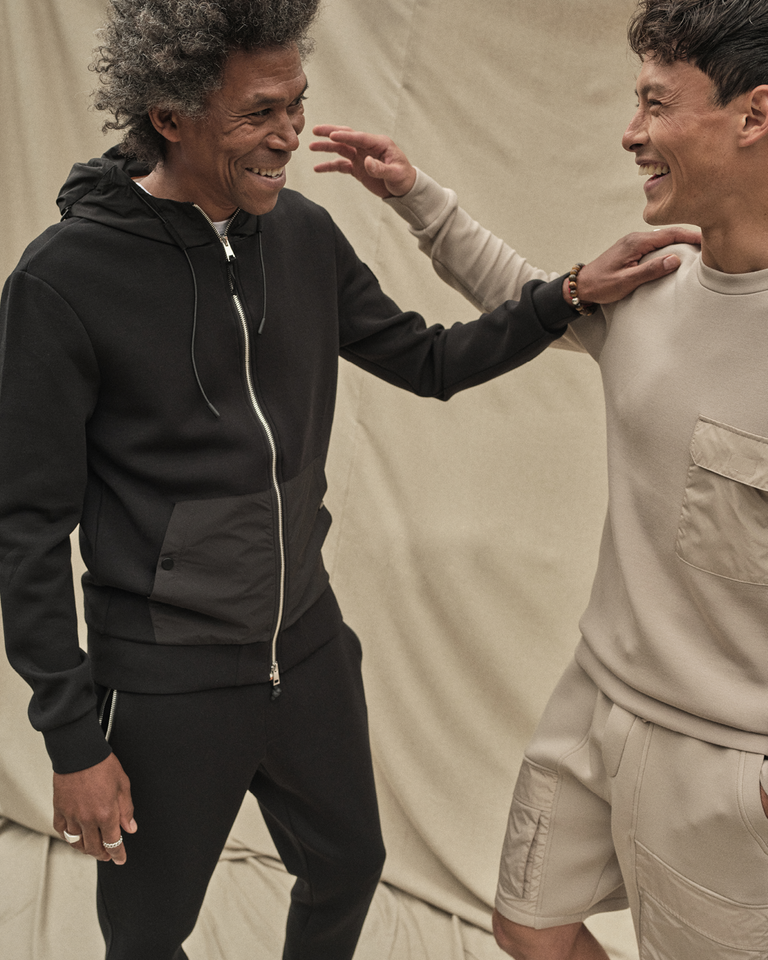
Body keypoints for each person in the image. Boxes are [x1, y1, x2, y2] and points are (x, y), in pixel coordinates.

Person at [0, 1, 697, 958]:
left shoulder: (301, 234)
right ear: (169, 115)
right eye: (259, 113)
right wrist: (72, 739)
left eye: (297, 103)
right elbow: (27, 529)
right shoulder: (64, 281)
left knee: (348, 866)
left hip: (307, 646)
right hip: (166, 677)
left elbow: (429, 360)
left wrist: (566, 294)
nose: (289, 134)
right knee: (149, 932)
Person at [310, 0, 768, 957]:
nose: (630, 132)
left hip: (727, 756)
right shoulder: (654, 277)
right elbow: (523, 297)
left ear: (753, 115)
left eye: (656, 103)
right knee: (529, 927)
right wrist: (416, 196)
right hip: (596, 696)